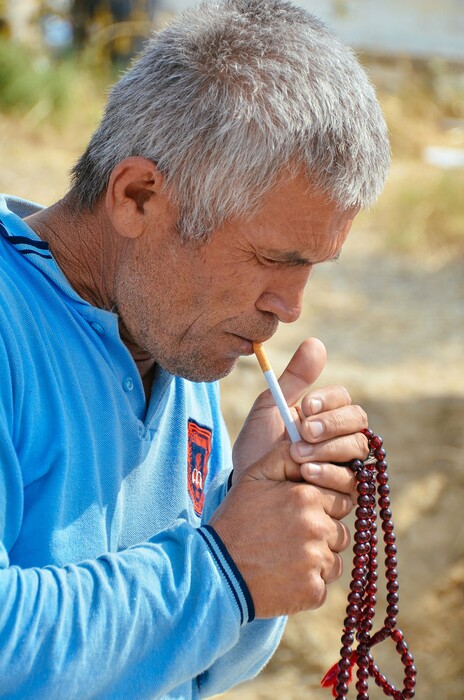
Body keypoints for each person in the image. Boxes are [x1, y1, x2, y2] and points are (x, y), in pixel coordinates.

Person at [0, 0, 390, 697]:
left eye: (311, 268)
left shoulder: (172, 337)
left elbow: (189, 667)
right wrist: (223, 568)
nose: (290, 306)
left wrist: (253, 505)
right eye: (272, 258)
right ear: (139, 196)